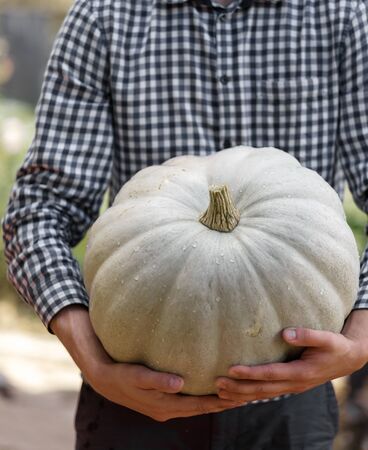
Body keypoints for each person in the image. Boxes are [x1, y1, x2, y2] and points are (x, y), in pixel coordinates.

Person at [3, 0, 368, 448]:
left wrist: (360, 337)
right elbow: (39, 211)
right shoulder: (103, 16)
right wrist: (91, 359)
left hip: (292, 398)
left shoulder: (341, 14)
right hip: (132, 392)